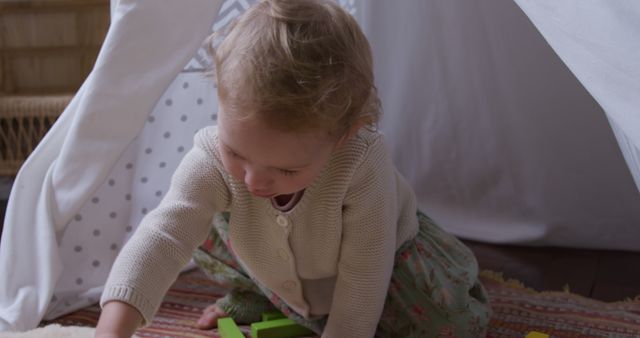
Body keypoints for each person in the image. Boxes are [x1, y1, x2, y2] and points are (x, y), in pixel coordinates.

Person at [95, 0, 491, 337]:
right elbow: (162, 236)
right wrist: (111, 329)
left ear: (344, 135)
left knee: (447, 324)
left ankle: (299, 304)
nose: (254, 180)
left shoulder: (362, 160)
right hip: (266, 257)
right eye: (238, 153)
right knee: (199, 220)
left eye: (286, 171)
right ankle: (258, 294)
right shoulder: (212, 156)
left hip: (380, 259)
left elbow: (364, 277)